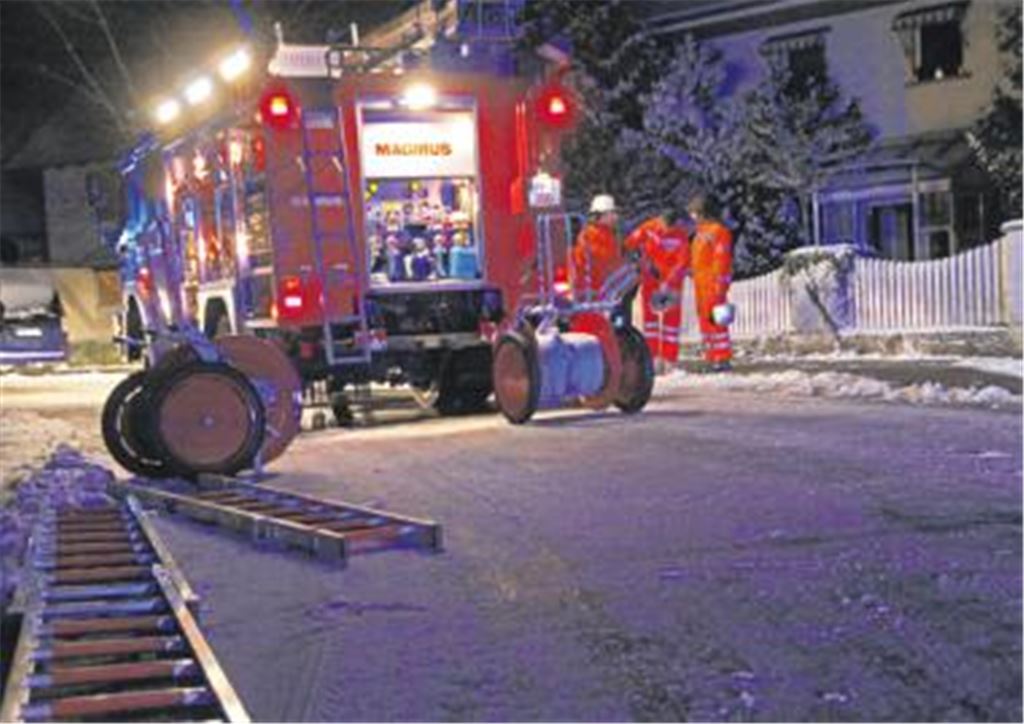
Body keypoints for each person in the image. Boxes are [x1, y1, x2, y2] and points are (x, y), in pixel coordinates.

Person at [625, 211, 691, 373]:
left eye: (670, 227)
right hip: (651, 282)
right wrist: (641, 261)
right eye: (665, 226)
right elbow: (629, 246)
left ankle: (669, 360)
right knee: (650, 323)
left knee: (671, 324)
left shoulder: (680, 235)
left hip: (672, 284)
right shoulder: (647, 229)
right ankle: (652, 358)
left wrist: (668, 282)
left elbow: (683, 261)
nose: (667, 230)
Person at [688, 193, 733, 371]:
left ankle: (722, 358)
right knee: (705, 322)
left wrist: (720, 284)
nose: (692, 217)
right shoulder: (699, 233)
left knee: (717, 321)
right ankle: (711, 357)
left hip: (713, 283)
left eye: (695, 213)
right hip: (701, 283)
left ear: (704, 212)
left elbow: (721, 259)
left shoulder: (719, 231)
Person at [571, 194, 622, 299]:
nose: (615, 217)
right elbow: (603, 263)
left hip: (603, 288)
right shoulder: (591, 235)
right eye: (612, 213)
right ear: (600, 216)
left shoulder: (607, 234)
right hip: (594, 292)